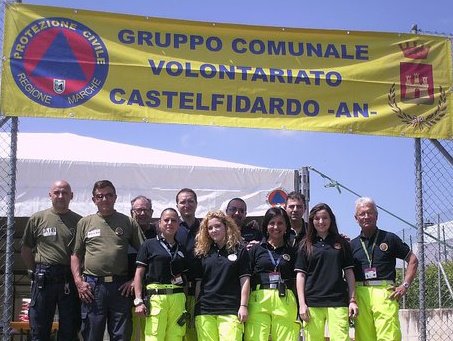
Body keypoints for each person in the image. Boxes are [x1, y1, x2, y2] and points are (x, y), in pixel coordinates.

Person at [71, 180, 145, 341]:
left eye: (109, 195)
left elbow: (145, 254)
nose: (105, 199)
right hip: (92, 287)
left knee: (121, 335)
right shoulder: (85, 223)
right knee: (92, 334)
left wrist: (134, 280)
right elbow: (75, 255)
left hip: (120, 287)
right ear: (94, 200)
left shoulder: (127, 222)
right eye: (100, 196)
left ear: (115, 197)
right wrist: (78, 282)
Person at [21, 180, 82, 341]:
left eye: (65, 192)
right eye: (57, 192)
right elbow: (26, 249)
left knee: (69, 329)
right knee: (39, 328)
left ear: (72, 196)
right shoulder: (37, 219)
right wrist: (33, 271)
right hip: (44, 278)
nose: (60, 196)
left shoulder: (80, 221)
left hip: (68, 280)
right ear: (50, 195)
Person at [350, 197, 418, 341]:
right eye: (362, 214)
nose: (366, 216)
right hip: (361, 293)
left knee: (389, 336)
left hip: (385, 292)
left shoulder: (390, 238)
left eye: (370, 213)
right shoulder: (352, 245)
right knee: (364, 337)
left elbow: (412, 260)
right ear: (356, 218)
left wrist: (404, 285)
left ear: (376, 216)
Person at [295, 203, 358, 341]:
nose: (321, 222)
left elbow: (349, 273)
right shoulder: (305, 244)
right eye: (317, 218)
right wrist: (302, 304)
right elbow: (300, 275)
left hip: (338, 301)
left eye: (325, 218)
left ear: (331, 220)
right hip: (312, 302)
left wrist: (352, 300)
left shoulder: (342, 243)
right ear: (312, 221)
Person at [244, 207, 300, 341]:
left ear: (286, 226)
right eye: (272, 223)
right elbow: (245, 278)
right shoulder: (255, 249)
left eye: (280, 223)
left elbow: (299, 278)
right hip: (259, 299)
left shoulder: (293, 251)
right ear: (266, 226)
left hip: (285, 299)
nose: (276, 227)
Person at [193, 210, 251, 341]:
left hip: (230, 310)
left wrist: (243, 306)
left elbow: (245, 280)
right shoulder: (202, 253)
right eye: (210, 228)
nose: (214, 230)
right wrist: (197, 305)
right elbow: (198, 283)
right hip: (205, 311)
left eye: (218, 226)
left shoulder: (240, 250)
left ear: (227, 226)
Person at [133, 208, 188, 341]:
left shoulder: (181, 248)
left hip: (178, 298)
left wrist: (185, 302)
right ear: (159, 223)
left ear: (179, 224)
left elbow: (184, 278)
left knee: (176, 336)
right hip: (156, 297)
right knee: (154, 336)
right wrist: (139, 301)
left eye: (174, 220)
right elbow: (139, 275)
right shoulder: (148, 244)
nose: (170, 223)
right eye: (166, 220)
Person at [129, 195, 157, 341]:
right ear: (131, 212)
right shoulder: (124, 234)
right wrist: (131, 280)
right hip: (126, 294)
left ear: (151, 212)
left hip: (153, 294)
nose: (142, 213)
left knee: (151, 333)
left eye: (145, 210)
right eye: (138, 210)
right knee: (132, 335)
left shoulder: (159, 234)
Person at [175, 188, 200, 341]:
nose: (187, 205)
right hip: (177, 290)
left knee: (196, 333)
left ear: (197, 204)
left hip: (200, 289)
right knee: (177, 332)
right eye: (182, 202)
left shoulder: (206, 228)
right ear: (177, 205)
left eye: (190, 201)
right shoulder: (172, 228)